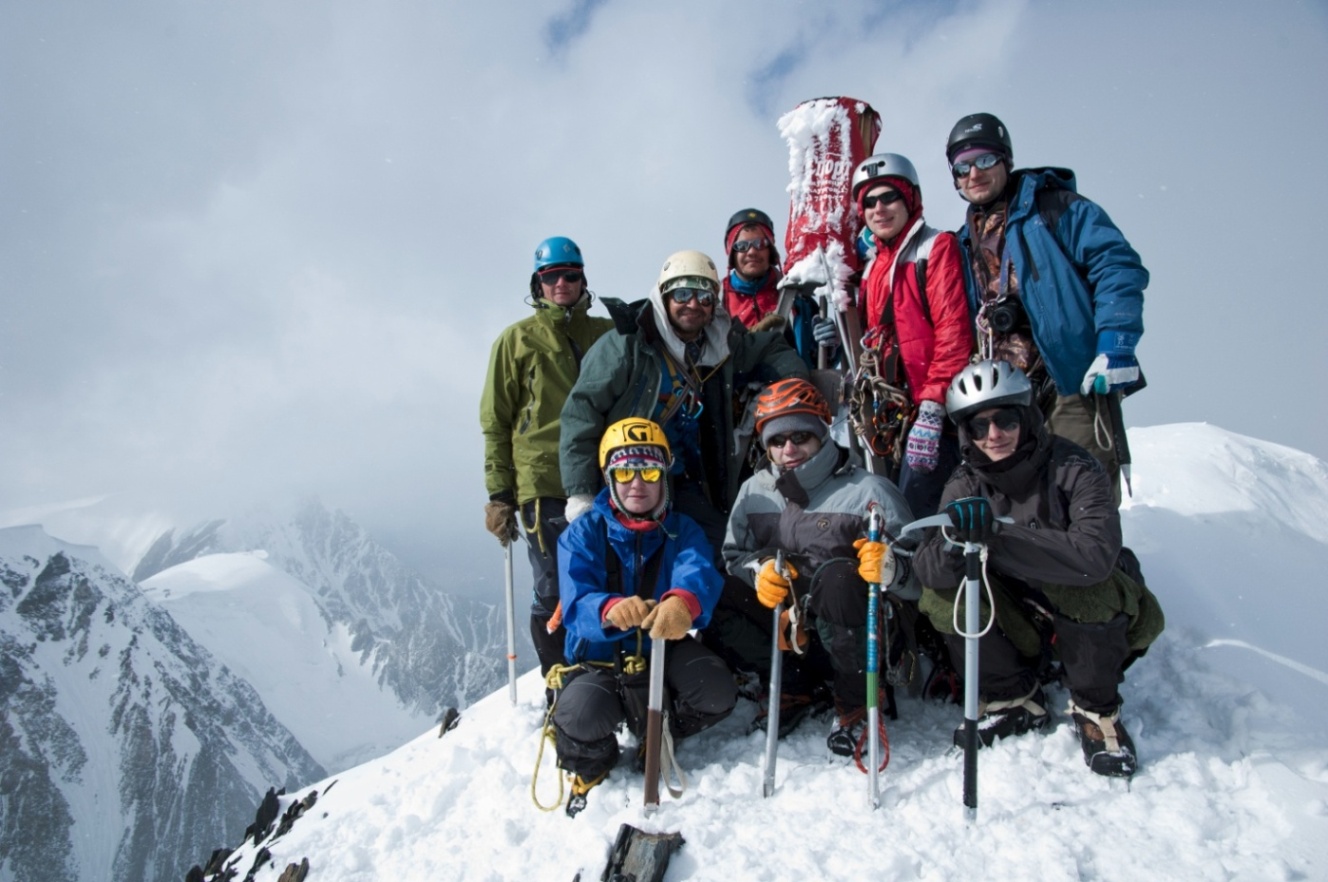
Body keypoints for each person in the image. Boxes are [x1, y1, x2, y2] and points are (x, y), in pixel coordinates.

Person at [912, 360, 1165, 778]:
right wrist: (956, 542)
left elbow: (1095, 556)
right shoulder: (965, 482)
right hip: (1021, 620)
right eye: (979, 426)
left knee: (1084, 585)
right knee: (943, 596)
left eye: (1006, 420)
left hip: (1097, 620)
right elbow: (930, 569)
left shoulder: (1076, 468)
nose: (993, 435)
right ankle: (1011, 698)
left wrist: (997, 535)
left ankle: (1097, 711)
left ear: (1027, 416)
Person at [945, 112, 1148, 505]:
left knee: (1083, 497)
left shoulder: (1056, 210)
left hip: (1068, 382)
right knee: (1022, 509)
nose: (974, 173)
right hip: (1005, 400)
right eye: (963, 166)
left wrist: (1116, 345)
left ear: (1006, 160)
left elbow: (1117, 268)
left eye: (985, 159)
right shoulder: (963, 242)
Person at [722, 379, 918, 757]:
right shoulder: (754, 491)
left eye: (801, 436)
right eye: (777, 441)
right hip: (796, 633)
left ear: (822, 434)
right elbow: (732, 559)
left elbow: (919, 576)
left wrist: (893, 568)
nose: (789, 449)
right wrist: (758, 569)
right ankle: (795, 686)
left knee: (838, 577)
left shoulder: (868, 491)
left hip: (860, 634)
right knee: (718, 592)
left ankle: (857, 702)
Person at [551, 418, 737, 815]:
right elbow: (576, 598)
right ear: (609, 477)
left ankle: (661, 729)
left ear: (664, 476)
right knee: (580, 715)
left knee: (716, 691)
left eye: (649, 472)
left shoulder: (682, 530)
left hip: (661, 652)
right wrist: (608, 609)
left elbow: (697, 571)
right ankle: (593, 760)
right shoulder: (584, 533)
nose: (637, 483)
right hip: (598, 660)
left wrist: (683, 602)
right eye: (625, 472)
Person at [479, 236, 613, 682]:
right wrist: (499, 493)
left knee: (602, 577)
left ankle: (601, 672)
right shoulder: (516, 341)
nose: (561, 283)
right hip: (542, 480)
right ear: (537, 283)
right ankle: (560, 680)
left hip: (601, 477)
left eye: (569, 274)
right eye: (551, 275)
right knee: (555, 584)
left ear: (582, 280)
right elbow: (496, 420)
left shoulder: (605, 334)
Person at [817, 153, 973, 517]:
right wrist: (838, 339)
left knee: (919, 513)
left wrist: (933, 407)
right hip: (892, 415)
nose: (879, 209)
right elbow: (874, 338)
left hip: (934, 412)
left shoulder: (935, 247)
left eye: (889, 197)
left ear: (910, 199)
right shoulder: (874, 265)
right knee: (892, 509)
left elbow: (953, 332)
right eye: (870, 202)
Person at [721, 209, 819, 369]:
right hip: (735, 383)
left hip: (793, 381)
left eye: (760, 244)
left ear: (770, 250)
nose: (752, 252)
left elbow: (816, 358)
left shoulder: (796, 297)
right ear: (732, 253)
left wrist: (831, 346)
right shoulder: (714, 300)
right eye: (742, 246)